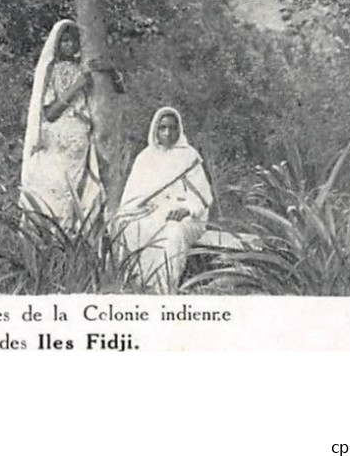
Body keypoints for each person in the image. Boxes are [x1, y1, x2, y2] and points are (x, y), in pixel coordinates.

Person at [115, 106, 212, 293]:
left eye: (173, 128)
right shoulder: (145, 157)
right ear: (155, 130)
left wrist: (186, 209)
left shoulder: (189, 156)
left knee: (173, 234)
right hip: (152, 212)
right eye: (163, 128)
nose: (168, 133)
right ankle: (138, 284)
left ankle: (164, 288)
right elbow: (132, 197)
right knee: (129, 227)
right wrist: (141, 208)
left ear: (179, 129)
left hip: (185, 215)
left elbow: (202, 196)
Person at [20, 19, 105, 231]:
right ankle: (47, 236)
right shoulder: (51, 71)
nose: (69, 45)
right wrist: (76, 87)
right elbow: (49, 113)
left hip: (78, 141)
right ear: (56, 44)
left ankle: (70, 240)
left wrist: (106, 71)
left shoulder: (84, 69)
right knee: (53, 191)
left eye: (73, 41)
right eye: (64, 41)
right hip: (56, 140)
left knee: (75, 193)